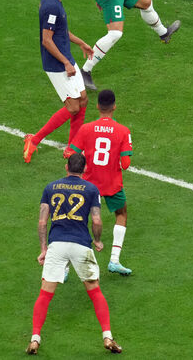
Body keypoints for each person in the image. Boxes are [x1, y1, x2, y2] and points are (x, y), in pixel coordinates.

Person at [26, 153, 122, 355]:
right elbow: (96, 220)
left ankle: (35, 339)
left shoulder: (50, 187)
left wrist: (44, 249)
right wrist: (97, 240)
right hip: (81, 245)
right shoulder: (91, 189)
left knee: (45, 294)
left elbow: (42, 222)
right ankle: (107, 336)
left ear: (66, 166)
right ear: (85, 169)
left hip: (57, 244)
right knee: (95, 291)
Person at [24, 0, 93, 163]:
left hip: (66, 59)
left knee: (83, 99)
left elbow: (61, 32)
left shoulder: (53, 1)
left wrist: (81, 43)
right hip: (57, 64)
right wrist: (65, 63)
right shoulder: (51, 6)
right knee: (72, 107)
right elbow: (47, 40)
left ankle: (72, 148)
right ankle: (34, 140)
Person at [70, 89, 134, 276]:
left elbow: (71, 153)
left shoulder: (86, 129)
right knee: (121, 214)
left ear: (98, 106)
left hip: (89, 184)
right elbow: (126, 164)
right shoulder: (123, 131)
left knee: (78, 219)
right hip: (112, 184)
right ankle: (114, 260)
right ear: (114, 106)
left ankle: (65, 267)